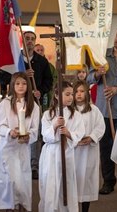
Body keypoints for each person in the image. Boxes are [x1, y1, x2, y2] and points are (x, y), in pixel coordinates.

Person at [87, 26, 117, 198]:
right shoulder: (101, 56)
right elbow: (89, 78)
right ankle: (108, 182)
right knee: (105, 148)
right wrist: (97, 73)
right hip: (103, 110)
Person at [0, 72, 40, 212]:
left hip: (22, 149)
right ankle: (9, 208)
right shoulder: (5, 103)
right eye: (17, 83)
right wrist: (10, 132)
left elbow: (35, 129)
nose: (21, 86)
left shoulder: (33, 106)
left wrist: (29, 136)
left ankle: (22, 207)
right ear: (12, 85)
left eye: (23, 83)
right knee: (9, 182)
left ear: (28, 86)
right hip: (7, 148)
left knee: (22, 183)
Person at [38, 81, 85, 212]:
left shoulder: (76, 115)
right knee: (51, 184)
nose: (71, 97)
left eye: (72, 94)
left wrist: (69, 133)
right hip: (51, 153)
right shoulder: (48, 114)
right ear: (57, 95)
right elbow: (44, 135)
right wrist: (54, 126)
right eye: (67, 94)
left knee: (67, 184)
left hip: (66, 152)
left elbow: (80, 133)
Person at [23, 31, 53, 180]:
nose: (29, 41)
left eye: (32, 39)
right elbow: (6, 78)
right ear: (22, 40)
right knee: (21, 132)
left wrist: (40, 91)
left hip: (35, 102)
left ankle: (34, 166)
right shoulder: (16, 59)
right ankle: (22, 164)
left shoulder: (42, 61)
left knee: (35, 133)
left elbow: (49, 81)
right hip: (18, 103)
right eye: (26, 38)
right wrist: (23, 74)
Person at [73, 80, 105, 212]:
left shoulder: (94, 110)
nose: (79, 94)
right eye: (76, 91)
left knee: (86, 180)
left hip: (88, 152)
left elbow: (100, 127)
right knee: (73, 180)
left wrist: (91, 137)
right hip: (74, 151)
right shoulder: (69, 110)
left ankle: (85, 209)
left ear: (87, 93)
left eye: (82, 91)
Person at [34, 43, 57, 111]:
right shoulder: (31, 64)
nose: (40, 52)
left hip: (46, 92)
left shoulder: (49, 65)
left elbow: (55, 77)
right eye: (37, 50)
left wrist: (50, 86)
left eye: (41, 50)